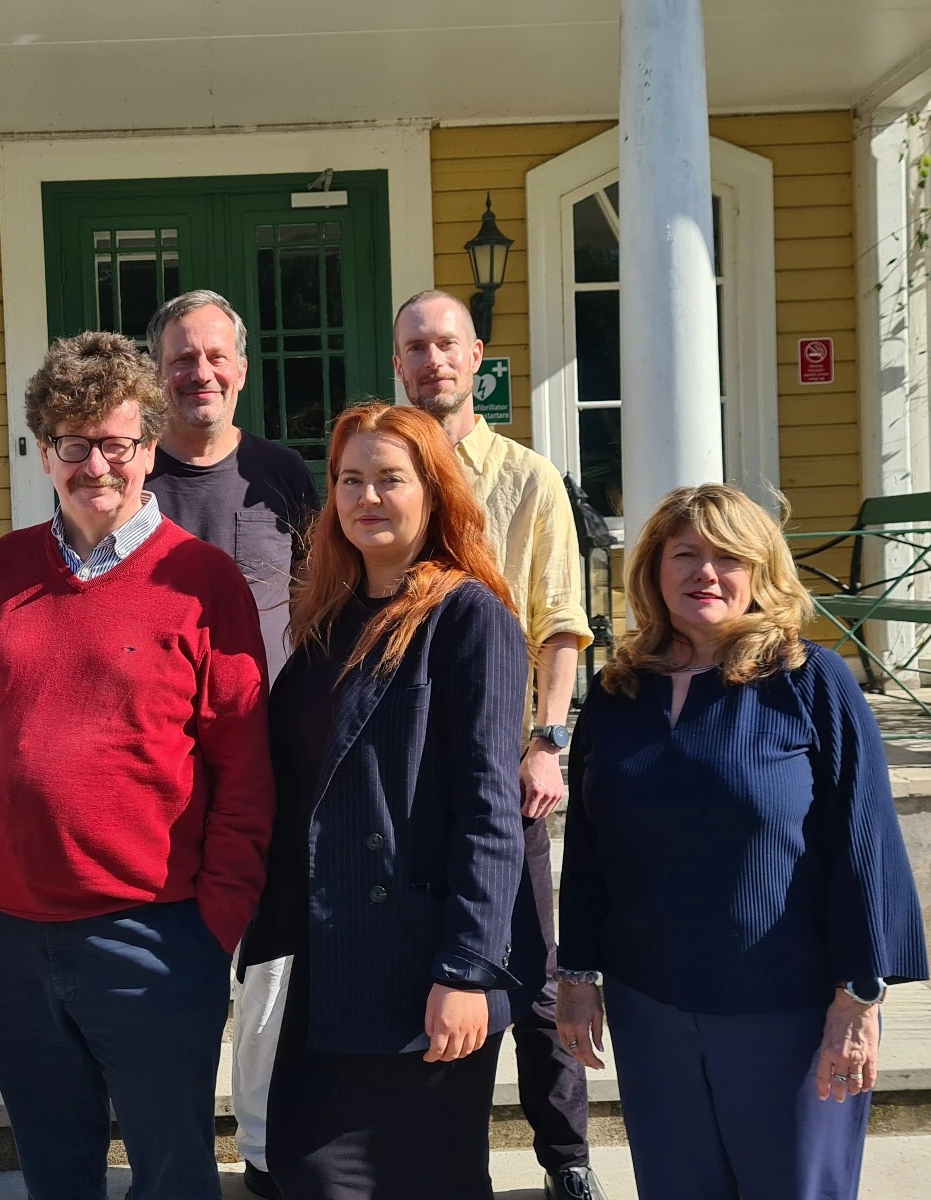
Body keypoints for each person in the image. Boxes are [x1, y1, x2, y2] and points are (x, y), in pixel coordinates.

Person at [0, 330, 276, 1200]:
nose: (96, 465)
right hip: (4, 933)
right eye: (73, 445)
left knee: (172, 1174)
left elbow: (244, 763)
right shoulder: (3, 568)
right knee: (55, 1171)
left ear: (149, 449)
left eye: (116, 444)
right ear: (44, 452)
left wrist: (216, 922)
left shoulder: (203, 582)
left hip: (153, 935)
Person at [556, 484, 929, 1200]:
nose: (706, 572)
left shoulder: (809, 681)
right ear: (653, 573)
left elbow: (866, 845)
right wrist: (576, 977)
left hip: (785, 1012)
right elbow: (591, 848)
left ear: (760, 571)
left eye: (728, 557)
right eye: (685, 554)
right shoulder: (616, 692)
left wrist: (859, 999)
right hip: (650, 1008)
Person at [241, 402, 547, 1200]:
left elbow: (489, 808)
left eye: (389, 479)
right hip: (329, 951)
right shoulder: (329, 620)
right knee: (308, 1172)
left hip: (424, 961)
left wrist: (469, 969)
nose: (367, 497)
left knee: (426, 1181)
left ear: (434, 493)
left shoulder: (470, 616)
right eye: (350, 480)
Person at [393, 290, 602, 1200]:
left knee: (536, 977)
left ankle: (567, 1161)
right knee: (433, 974)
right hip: (403, 773)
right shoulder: (381, 471)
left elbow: (562, 620)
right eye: (415, 347)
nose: (432, 359)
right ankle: (446, 1164)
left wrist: (549, 741)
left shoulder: (528, 477)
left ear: (477, 355)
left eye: (447, 344)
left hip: (502, 767)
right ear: (397, 361)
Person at [144, 289, 319, 1200]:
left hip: (270, 758)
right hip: (160, 773)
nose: (200, 373)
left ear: (242, 370)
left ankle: (258, 1145)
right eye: (181, 358)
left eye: (216, 356)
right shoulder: (128, 482)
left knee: (270, 963)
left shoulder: (285, 475)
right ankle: (168, 1153)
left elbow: (320, 607)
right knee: (173, 966)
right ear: (157, 372)